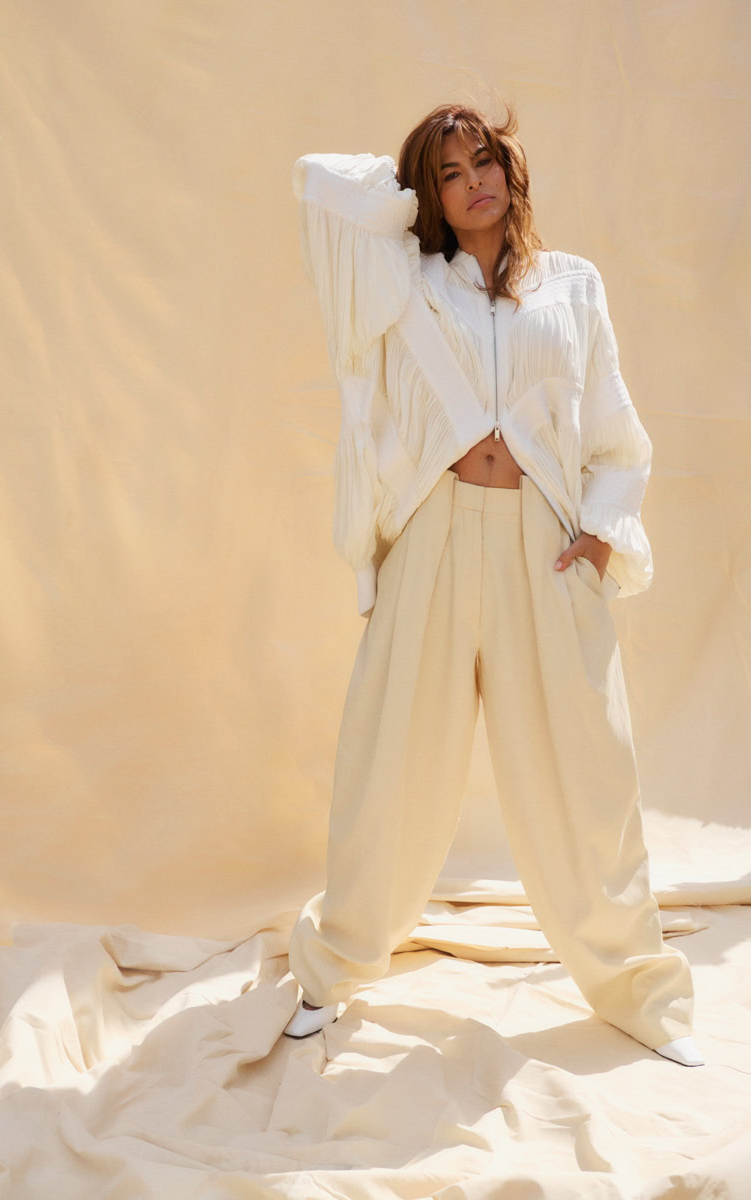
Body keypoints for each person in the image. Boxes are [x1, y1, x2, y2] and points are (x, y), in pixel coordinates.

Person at [282, 102, 703, 1067]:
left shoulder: (573, 287)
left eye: (487, 159)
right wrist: (408, 180)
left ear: (512, 171)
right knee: (390, 760)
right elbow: (317, 180)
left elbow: (612, 428)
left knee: (587, 770)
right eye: (450, 170)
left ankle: (638, 989)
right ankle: (334, 967)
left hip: (544, 545)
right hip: (433, 536)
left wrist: (598, 538)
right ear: (427, 195)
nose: (475, 179)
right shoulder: (405, 281)